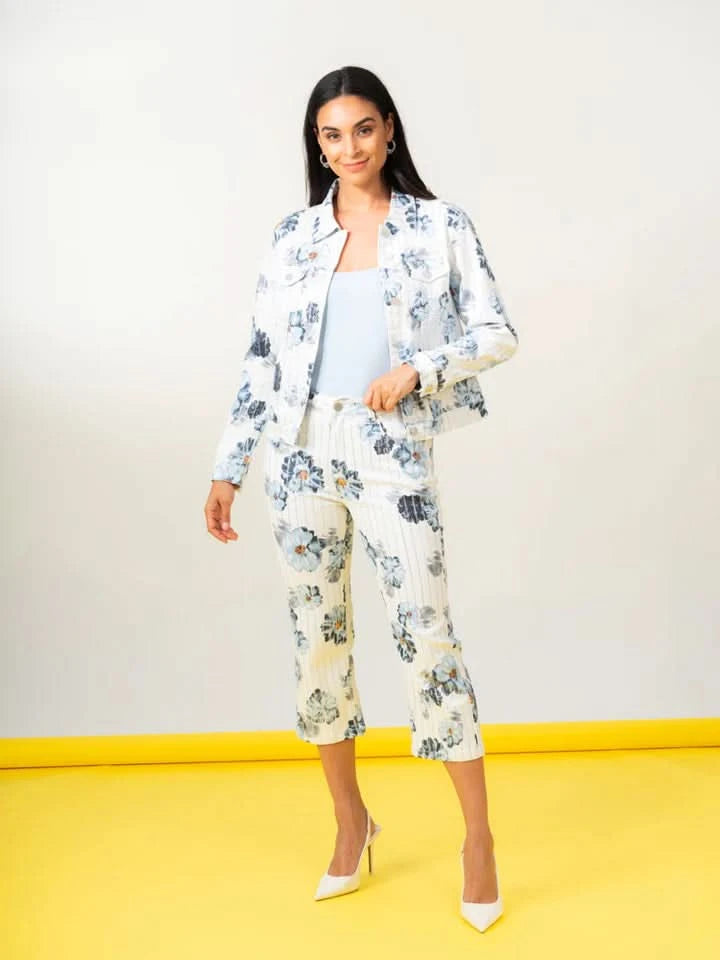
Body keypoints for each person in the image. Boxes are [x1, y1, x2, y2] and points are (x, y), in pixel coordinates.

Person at [203, 65, 518, 933]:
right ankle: (351, 824)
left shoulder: (439, 226)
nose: (350, 149)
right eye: (332, 135)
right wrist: (229, 465)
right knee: (318, 645)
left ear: (390, 131)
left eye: (364, 130)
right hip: (298, 455)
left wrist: (419, 368)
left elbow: (496, 330)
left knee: (428, 637)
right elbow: (262, 357)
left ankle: (479, 841)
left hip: (389, 450)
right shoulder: (293, 236)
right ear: (318, 143)